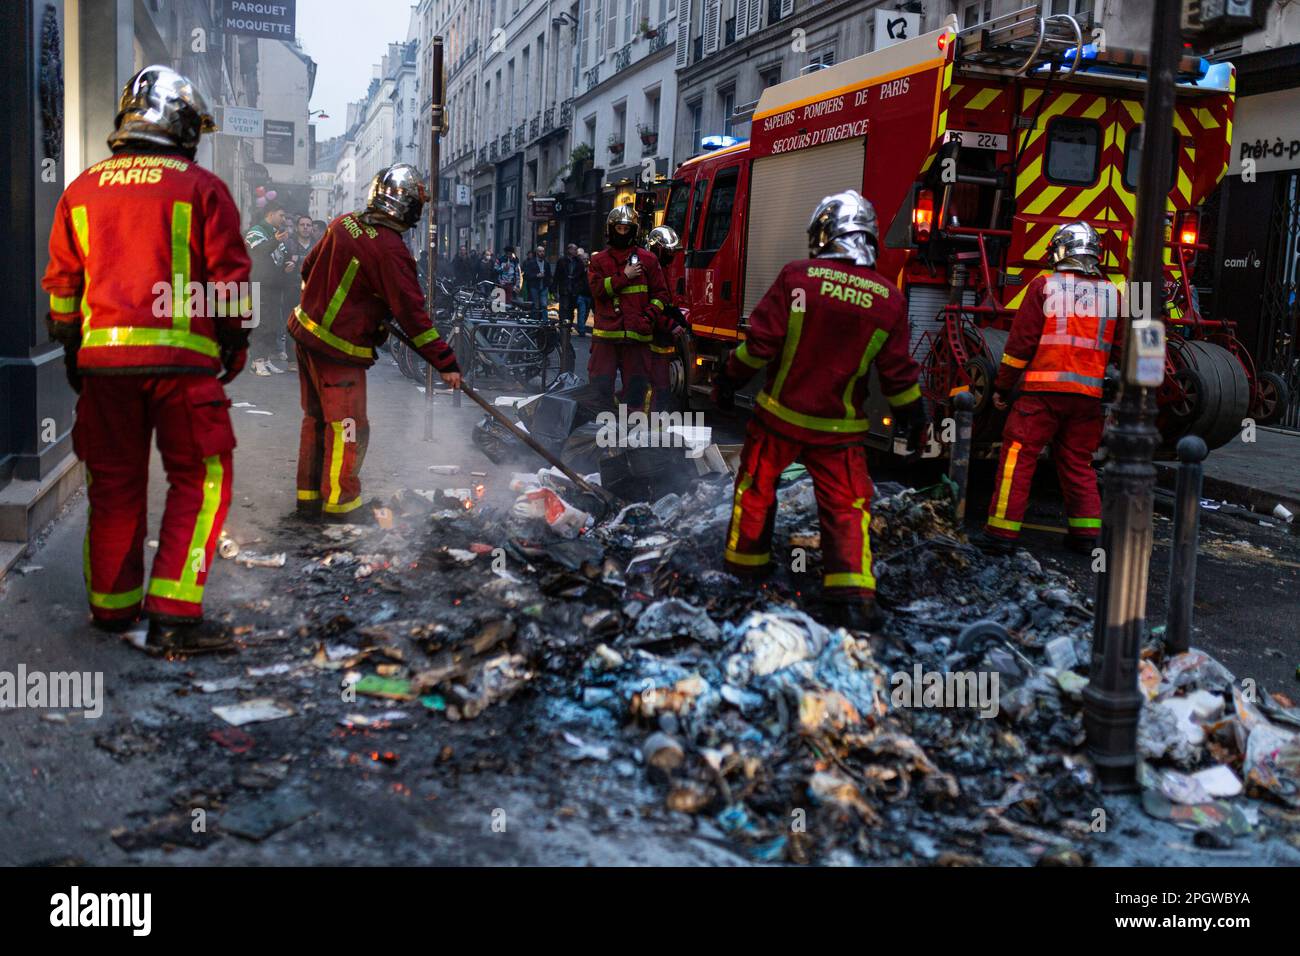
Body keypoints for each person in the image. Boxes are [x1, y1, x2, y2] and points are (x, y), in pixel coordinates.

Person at [42, 65, 252, 652]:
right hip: (182, 368)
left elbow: (62, 289)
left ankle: (111, 609)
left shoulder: (81, 189)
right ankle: (175, 613)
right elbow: (230, 280)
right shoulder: (202, 188)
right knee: (201, 478)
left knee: (112, 483)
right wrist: (233, 342)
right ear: (183, 127)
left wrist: (71, 349)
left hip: (104, 368)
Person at [711, 191, 926, 630]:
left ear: (823, 236)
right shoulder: (888, 299)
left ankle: (745, 570)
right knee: (847, 508)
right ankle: (852, 600)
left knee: (755, 490)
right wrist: (914, 417)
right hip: (840, 429)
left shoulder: (798, 279)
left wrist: (727, 379)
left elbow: (759, 347)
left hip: (779, 419)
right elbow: (898, 375)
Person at [288, 164, 461, 522]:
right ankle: (340, 506)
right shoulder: (390, 250)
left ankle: (309, 500)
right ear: (408, 207)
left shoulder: (342, 222)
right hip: (339, 350)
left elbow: (307, 267)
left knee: (316, 421)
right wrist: (445, 361)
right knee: (348, 426)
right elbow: (414, 317)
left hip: (305, 335)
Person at [973, 221, 1122, 556]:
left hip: (1042, 395)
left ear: (1060, 251)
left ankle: (1001, 534)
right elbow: (1122, 349)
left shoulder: (1044, 287)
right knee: (1078, 462)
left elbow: (1020, 345)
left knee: (1018, 458)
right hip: (1089, 400)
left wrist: (1001, 387)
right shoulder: (1113, 293)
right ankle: (1086, 535)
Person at [587, 206, 669, 411]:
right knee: (600, 389)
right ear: (611, 229)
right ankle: (599, 435)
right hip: (606, 335)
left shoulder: (648, 260)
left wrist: (647, 317)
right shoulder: (598, 260)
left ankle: (631, 438)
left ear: (634, 230)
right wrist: (625, 276)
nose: (622, 233)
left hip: (637, 336)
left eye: (627, 229)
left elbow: (661, 295)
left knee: (636, 391)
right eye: (619, 228)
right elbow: (598, 290)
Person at [645, 226, 689, 410]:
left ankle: (652, 425)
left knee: (660, 386)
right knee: (654, 386)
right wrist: (670, 324)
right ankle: (646, 427)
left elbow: (664, 304)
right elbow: (648, 307)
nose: (672, 254)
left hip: (659, 340)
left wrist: (680, 320)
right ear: (657, 249)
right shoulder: (648, 270)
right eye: (669, 250)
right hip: (651, 340)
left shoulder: (659, 268)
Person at [244, 200, 288, 374]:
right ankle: (257, 360)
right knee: (260, 323)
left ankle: (267, 359)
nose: (283, 219)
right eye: (281, 215)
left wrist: (288, 263)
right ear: (270, 214)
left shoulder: (276, 232)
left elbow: (281, 256)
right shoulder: (255, 231)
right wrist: (274, 242)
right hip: (259, 283)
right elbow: (257, 253)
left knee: (272, 323)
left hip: (273, 285)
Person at [554, 243, 585, 337]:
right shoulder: (562, 261)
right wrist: (554, 288)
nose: (576, 251)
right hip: (564, 288)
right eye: (574, 249)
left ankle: (569, 325)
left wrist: (578, 286)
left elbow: (582, 276)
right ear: (569, 250)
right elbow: (557, 275)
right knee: (564, 307)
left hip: (574, 289)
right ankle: (563, 325)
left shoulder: (579, 262)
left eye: (576, 250)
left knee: (571, 308)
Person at [522, 244, 553, 319]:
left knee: (544, 305)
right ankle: (534, 321)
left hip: (544, 286)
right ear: (536, 253)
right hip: (534, 286)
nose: (542, 253)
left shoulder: (546, 263)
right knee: (535, 305)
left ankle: (544, 322)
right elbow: (526, 275)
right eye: (540, 251)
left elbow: (549, 275)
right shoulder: (531, 263)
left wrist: (549, 284)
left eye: (543, 251)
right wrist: (536, 276)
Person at [574, 248, 593, 336]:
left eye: (587, 259)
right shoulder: (579, 268)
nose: (586, 260)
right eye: (584, 259)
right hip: (581, 294)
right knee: (581, 312)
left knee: (586, 313)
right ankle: (581, 330)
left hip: (589, 294)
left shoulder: (591, 269)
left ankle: (581, 327)